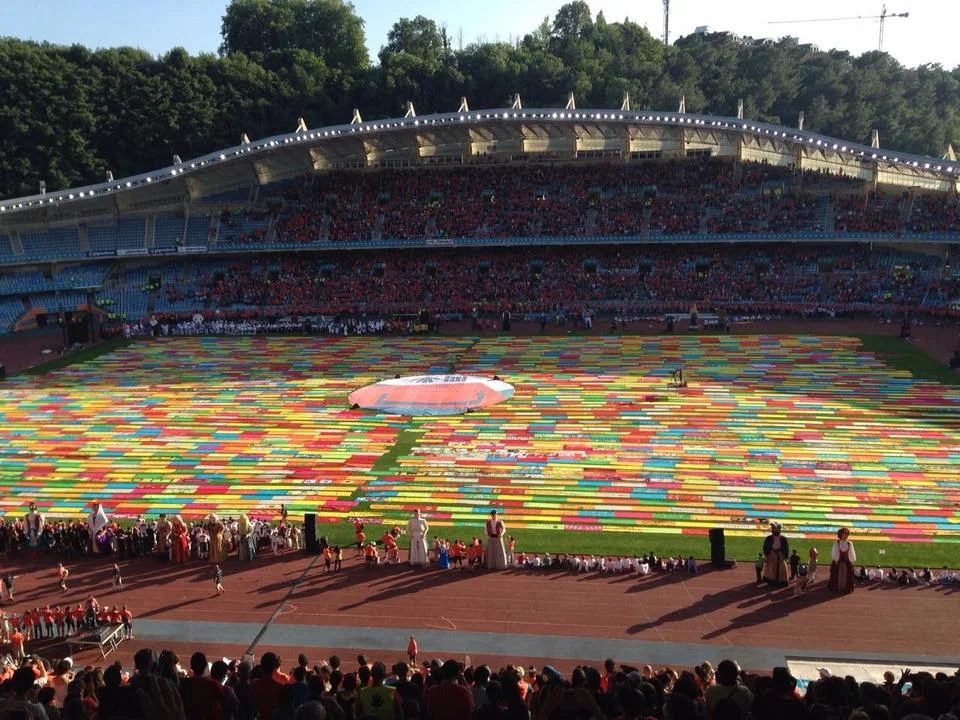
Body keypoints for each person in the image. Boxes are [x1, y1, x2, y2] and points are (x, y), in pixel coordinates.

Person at [828, 527, 857, 593]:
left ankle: (846, 588)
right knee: (836, 575)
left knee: (848, 576)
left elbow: (852, 553)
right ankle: (836, 588)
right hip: (838, 562)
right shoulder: (837, 543)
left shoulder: (849, 543)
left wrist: (851, 561)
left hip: (847, 563)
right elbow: (834, 552)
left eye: (846, 534)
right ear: (840, 535)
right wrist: (836, 560)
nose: (845, 535)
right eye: (843, 534)